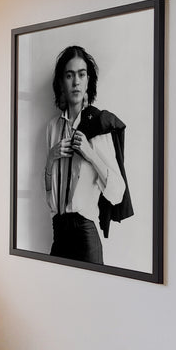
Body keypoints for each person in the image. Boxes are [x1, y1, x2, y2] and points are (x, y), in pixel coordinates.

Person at [44, 45, 133, 264]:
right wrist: (51, 158)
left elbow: (117, 193)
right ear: (61, 83)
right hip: (58, 235)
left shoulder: (98, 126)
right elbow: (49, 198)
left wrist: (91, 154)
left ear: (88, 81)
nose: (75, 81)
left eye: (81, 74)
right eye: (69, 75)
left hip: (85, 238)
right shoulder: (52, 128)